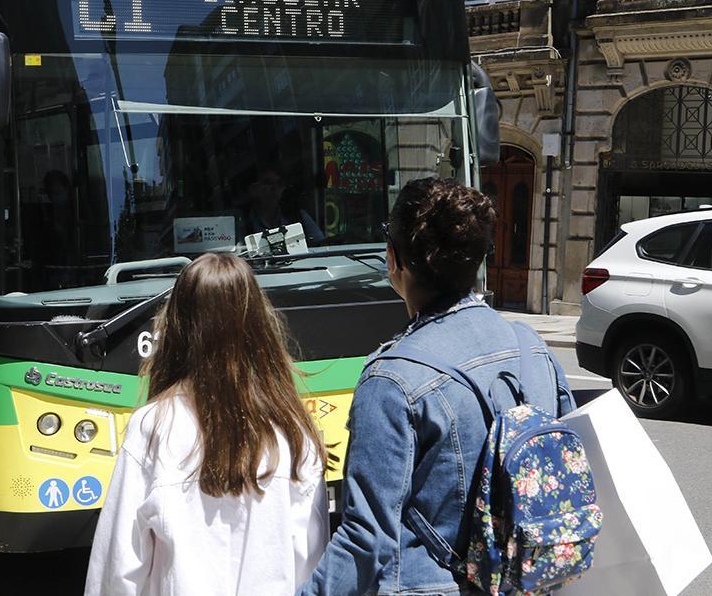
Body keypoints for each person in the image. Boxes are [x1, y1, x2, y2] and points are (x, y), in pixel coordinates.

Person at [299, 178, 575, 595]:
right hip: (528, 581)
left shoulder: (391, 378)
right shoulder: (531, 347)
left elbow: (366, 538)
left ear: (395, 262)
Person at [86, 252, 328, 596]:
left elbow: (118, 568)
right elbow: (311, 561)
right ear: (259, 324)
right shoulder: (293, 430)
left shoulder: (154, 428)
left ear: (177, 327)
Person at [244, 165, 325, 245]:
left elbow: (320, 244)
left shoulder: (298, 216)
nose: (274, 188)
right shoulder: (243, 220)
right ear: (254, 189)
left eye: (279, 183)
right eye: (268, 183)